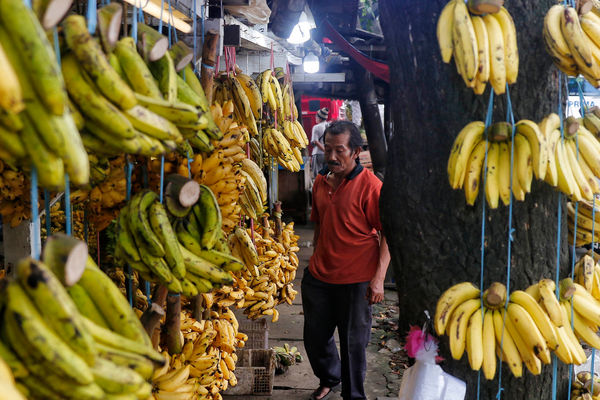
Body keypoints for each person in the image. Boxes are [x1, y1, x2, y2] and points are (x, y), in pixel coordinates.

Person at [302, 120, 390, 400]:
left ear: (355, 152)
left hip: (357, 281)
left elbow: (387, 234)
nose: (331, 156)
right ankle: (330, 377)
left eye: (339, 150)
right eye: (328, 149)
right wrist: (315, 256)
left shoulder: (371, 186)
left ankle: (353, 396)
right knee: (315, 338)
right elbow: (319, 224)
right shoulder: (320, 182)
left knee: (354, 345)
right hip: (319, 277)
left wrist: (378, 279)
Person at [311, 108, 329, 179]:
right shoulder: (329, 125)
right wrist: (327, 152)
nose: (315, 118)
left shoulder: (316, 127)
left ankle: (319, 189)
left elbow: (315, 141)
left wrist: (324, 150)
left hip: (318, 153)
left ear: (320, 118)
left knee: (318, 175)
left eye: (316, 116)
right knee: (327, 174)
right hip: (328, 154)